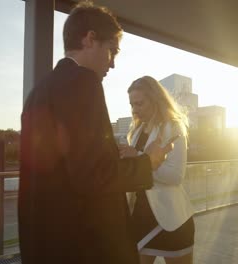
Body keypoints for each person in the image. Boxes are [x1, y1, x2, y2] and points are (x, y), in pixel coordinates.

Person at [18, 3, 172, 263]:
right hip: (85, 246)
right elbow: (93, 175)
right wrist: (149, 162)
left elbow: (68, 165)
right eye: (112, 51)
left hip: (47, 245)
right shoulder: (83, 83)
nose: (112, 64)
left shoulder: (39, 91)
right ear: (90, 39)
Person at [119, 76, 195, 264]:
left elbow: (176, 176)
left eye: (140, 104)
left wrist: (137, 157)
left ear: (155, 100)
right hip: (142, 218)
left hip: (172, 220)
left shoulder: (173, 126)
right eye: (132, 104)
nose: (135, 110)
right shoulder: (136, 131)